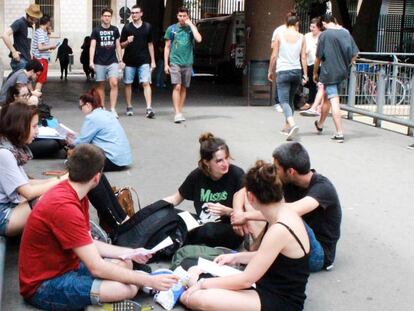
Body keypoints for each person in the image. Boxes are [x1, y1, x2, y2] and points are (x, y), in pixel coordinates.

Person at [19, 144, 179, 311]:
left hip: (66, 267)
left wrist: (130, 252)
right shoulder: (65, 207)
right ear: (97, 177)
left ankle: (97, 300)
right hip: (43, 286)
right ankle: (97, 304)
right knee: (128, 288)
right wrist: (149, 281)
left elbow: (87, 241)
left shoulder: (75, 194)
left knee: (126, 262)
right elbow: (96, 267)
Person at [181, 160, 310, 311]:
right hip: (268, 285)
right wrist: (235, 257)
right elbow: (269, 255)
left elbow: (245, 280)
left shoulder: (279, 229)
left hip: (280, 300)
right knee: (193, 273)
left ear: (251, 197)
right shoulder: (284, 213)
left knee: (195, 297)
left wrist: (202, 284)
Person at [231, 142, 342, 272]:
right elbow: (243, 192)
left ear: (290, 171)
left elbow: (287, 212)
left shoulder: (323, 188)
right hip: (292, 241)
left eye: (277, 168)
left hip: (317, 255)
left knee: (283, 213)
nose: (274, 171)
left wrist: (245, 216)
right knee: (258, 195)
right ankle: (256, 251)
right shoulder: (287, 180)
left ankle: (258, 254)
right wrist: (238, 212)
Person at [163, 132, 244, 249]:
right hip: (202, 223)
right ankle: (176, 240)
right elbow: (176, 198)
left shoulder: (237, 174)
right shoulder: (197, 175)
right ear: (206, 162)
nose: (225, 163)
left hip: (229, 228)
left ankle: (176, 241)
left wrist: (227, 211)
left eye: (226, 158)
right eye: (219, 161)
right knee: (168, 214)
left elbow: (246, 215)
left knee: (207, 230)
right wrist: (154, 209)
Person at [0, 101, 68, 237]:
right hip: (4, 216)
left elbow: (27, 183)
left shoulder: (11, 148)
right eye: (34, 126)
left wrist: (61, 179)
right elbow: (29, 192)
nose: (37, 131)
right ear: (20, 126)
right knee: (55, 198)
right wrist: (65, 179)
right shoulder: (5, 153)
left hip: (12, 209)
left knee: (61, 192)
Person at [313, 14, 359, 143]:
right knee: (327, 98)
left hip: (329, 72)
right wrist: (347, 64)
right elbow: (355, 54)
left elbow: (318, 57)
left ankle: (339, 132)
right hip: (341, 72)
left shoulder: (324, 35)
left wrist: (315, 72)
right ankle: (320, 124)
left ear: (324, 23)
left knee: (334, 100)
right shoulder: (345, 33)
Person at [67, 87, 132, 172]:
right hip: (123, 159)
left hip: (111, 160)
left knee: (78, 159)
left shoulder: (92, 118)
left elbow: (82, 142)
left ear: (88, 105)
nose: (81, 110)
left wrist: (70, 142)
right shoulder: (107, 114)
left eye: (81, 107)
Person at [268, 14, 307, 141]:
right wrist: (305, 74)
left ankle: (293, 124)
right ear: (296, 24)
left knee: (283, 101)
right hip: (296, 71)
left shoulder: (280, 36)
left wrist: (270, 71)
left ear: (286, 23)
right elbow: (303, 57)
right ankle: (287, 128)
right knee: (290, 100)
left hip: (283, 71)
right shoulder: (302, 37)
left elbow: (274, 56)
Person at [164, 7, 202, 123]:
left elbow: (199, 39)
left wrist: (191, 25)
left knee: (184, 88)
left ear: (187, 16)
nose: (182, 18)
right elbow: (167, 47)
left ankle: (180, 111)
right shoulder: (172, 29)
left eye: (184, 16)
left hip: (187, 62)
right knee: (177, 86)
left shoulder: (190, 29)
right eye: (180, 16)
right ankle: (177, 113)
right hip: (175, 61)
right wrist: (166, 64)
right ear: (177, 16)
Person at [120, 5, 156, 118]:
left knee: (146, 83)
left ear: (141, 14)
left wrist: (153, 61)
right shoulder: (127, 28)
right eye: (132, 13)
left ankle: (149, 108)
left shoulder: (147, 27)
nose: (134, 15)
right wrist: (127, 41)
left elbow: (150, 44)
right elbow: (121, 45)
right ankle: (129, 107)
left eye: (136, 12)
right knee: (128, 84)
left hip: (144, 60)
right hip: (129, 61)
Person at [90, 7, 123, 118]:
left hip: (112, 61)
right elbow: (92, 46)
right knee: (101, 85)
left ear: (111, 17)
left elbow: (118, 45)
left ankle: (113, 109)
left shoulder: (115, 30)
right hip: (99, 61)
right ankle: (102, 107)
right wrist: (91, 61)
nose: (107, 18)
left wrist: (120, 60)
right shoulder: (96, 30)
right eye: (105, 16)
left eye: (109, 16)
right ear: (101, 17)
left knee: (114, 82)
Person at [1, 4, 42, 72]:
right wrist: (14, 52)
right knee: (22, 81)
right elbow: (4, 35)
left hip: (27, 60)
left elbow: (27, 42)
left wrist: (30, 54)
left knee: (18, 81)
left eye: (36, 20)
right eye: (32, 19)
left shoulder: (30, 27)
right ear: (28, 15)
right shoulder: (20, 22)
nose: (34, 22)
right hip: (20, 61)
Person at [301, 17, 323, 113]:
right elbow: (304, 54)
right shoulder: (306, 36)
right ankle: (312, 103)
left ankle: (316, 104)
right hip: (310, 63)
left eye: (313, 27)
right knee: (311, 84)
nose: (311, 29)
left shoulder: (323, 36)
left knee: (320, 85)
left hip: (322, 64)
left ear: (319, 28)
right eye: (311, 26)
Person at [31, 14, 57, 92]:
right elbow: (40, 47)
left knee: (39, 79)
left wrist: (49, 33)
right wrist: (51, 46)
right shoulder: (41, 32)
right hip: (41, 59)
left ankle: (35, 97)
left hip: (39, 58)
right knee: (40, 80)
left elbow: (44, 44)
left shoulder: (40, 31)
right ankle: (35, 98)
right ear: (48, 23)